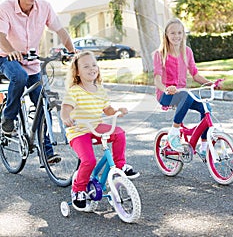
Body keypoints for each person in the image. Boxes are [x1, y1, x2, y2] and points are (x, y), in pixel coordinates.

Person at [0, 0, 75, 162]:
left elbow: (60, 30)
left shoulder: (44, 7)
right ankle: (8, 118)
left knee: (43, 104)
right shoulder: (6, 8)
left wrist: (73, 52)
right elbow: (1, 35)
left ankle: (47, 153)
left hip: (32, 62)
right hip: (6, 58)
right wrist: (10, 51)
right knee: (19, 77)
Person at [61, 50, 139, 211]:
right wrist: (66, 117)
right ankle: (78, 190)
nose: (92, 69)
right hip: (79, 131)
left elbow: (107, 109)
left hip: (95, 126)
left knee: (119, 133)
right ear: (77, 72)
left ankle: (120, 165)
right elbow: (65, 108)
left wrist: (117, 111)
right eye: (86, 66)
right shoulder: (75, 90)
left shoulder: (100, 89)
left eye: (94, 65)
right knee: (89, 161)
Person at [153, 18, 221, 156]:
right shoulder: (159, 54)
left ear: (183, 34)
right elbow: (157, 79)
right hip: (166, 95)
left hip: (183, 93)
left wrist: (211, 84)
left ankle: (203, 146)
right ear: (166, 34)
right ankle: (174, 132)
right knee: (186, 96)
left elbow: (195, 75)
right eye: (172, 33)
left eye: (179, 32)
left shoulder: (187, 52)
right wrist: (166, 88)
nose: (176, 36)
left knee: (206, 107)